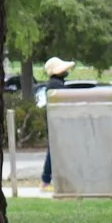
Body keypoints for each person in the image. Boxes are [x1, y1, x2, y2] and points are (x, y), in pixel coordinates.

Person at [37, 57, 69, 187]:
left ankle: (48, 180)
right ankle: (46, 180)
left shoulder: (55, 83)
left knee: (55, 150)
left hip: (55, 122)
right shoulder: (56, 84)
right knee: (54, 151)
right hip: (57, 123)